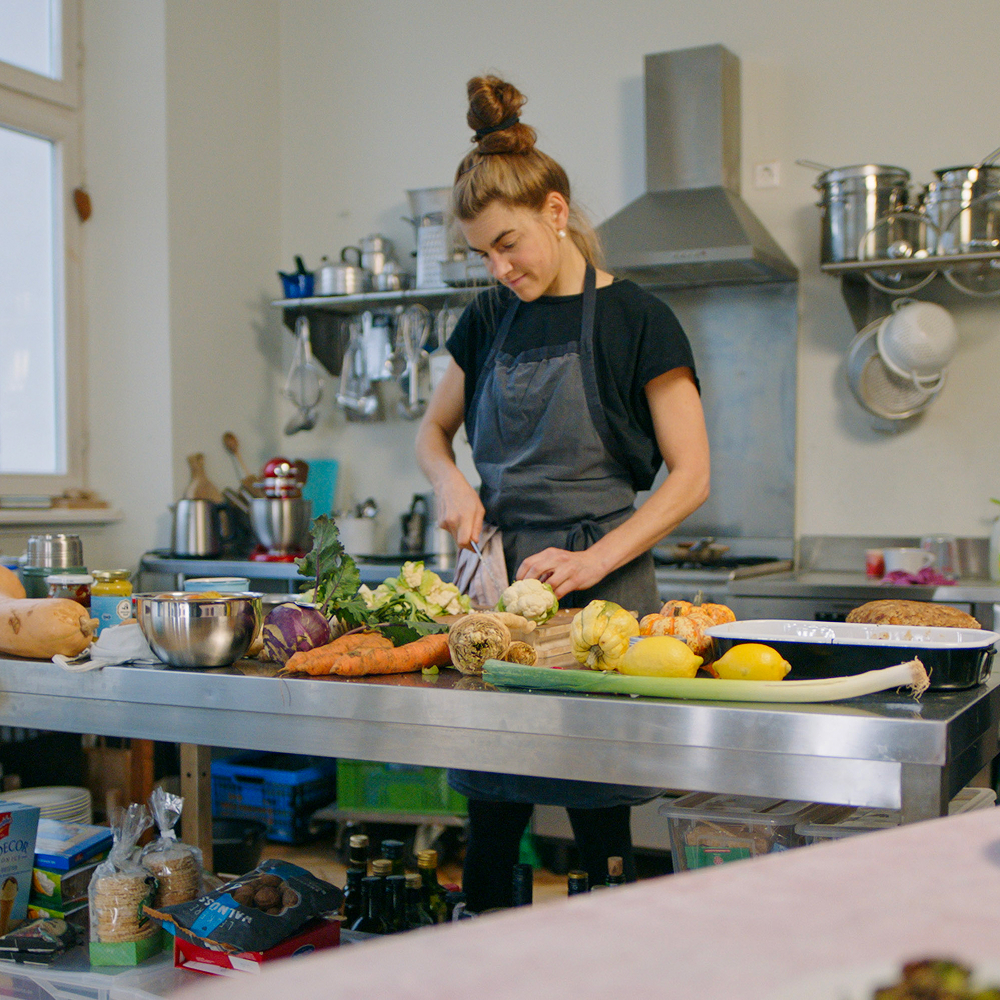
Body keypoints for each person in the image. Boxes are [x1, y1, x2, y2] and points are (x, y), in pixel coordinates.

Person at [415, 74, 711, 911]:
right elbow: (431, 435)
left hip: (605, 589)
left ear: (554, 210)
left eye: (508, 243)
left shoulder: (638, 319)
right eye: (481, 253)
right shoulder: (485, 320)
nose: (498, 267)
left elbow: (691, 474)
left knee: (597, 814)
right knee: (491, 809)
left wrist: (591, 563)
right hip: (499, 582)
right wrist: (453, 484)